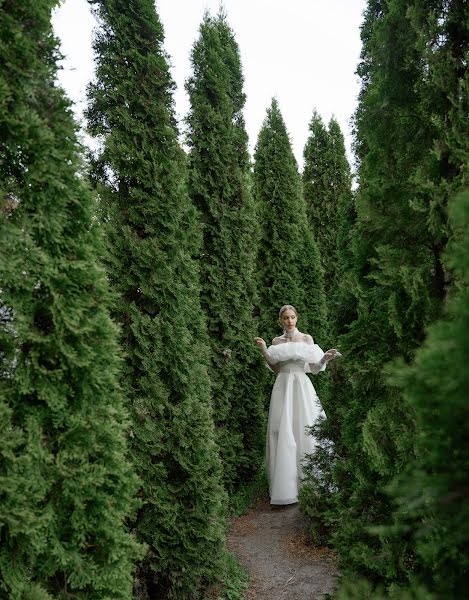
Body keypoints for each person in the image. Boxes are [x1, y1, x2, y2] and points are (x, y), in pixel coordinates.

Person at [255, 305, 340, 506]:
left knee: (306, 428)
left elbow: (315, 368)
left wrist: (325, 358)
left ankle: (313, 482)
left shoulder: (306, 339)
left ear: (297, 318)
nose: (290, 321)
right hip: (283, 386)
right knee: (282, 430)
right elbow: (275, 368)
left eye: (293, 317)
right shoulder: (276, 342)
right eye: (286, 318)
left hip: (301, 386)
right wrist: (263, 350)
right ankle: (286, 487)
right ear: (280, 321)